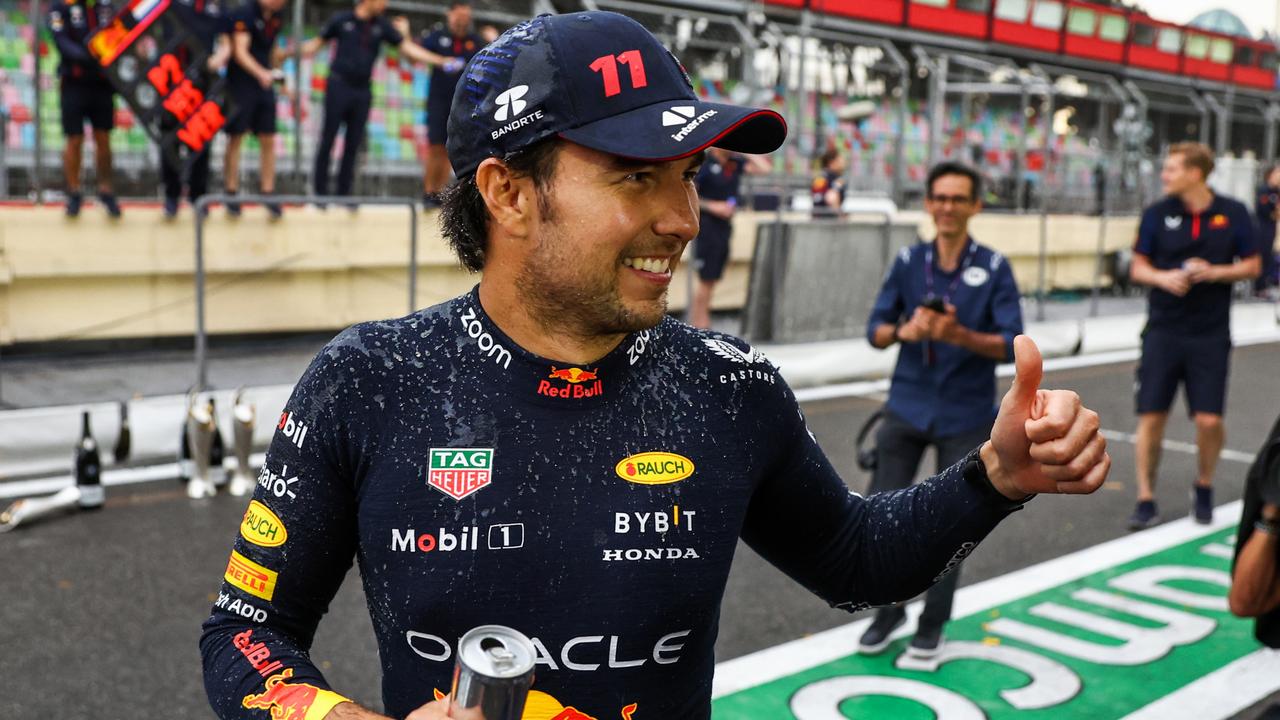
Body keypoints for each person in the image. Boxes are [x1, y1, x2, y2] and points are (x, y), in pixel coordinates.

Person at [200, 13, 1110, 720]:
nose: (684, 217)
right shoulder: (368, 380)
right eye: (638, 176)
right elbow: (245, 633)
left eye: (691, 175)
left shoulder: (729, 387)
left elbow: (858, 561)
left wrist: (994, 479)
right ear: (509, 193)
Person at [857, 161, 1024, 658]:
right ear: (929, 203)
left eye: (958, 198)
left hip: (965, 411)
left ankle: (933, 622)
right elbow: (876, 331)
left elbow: (1012, 343)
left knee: (953, 524)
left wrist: (959, 335)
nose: (947, 207)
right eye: (940, 198)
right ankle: (887, 612)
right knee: (881, 516)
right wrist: (904, 331)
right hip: (907, 403)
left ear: (975, 205)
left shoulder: (994, 267)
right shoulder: (909, 260)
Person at [1128, 142, 1261, 530]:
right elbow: (1138, 268)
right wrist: (1163, 277)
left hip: (1210, 333)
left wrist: (1215, 272)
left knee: (1208, 420)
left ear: (1195, 174)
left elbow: (1253, 264)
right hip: (1163, 329)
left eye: (1171, 169)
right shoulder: (1156, 213)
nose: (1164, 176)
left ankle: (1203, 485)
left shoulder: (1233, 213)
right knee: (1151, 415)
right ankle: (1145, 497)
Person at [301, 0, 463, 203]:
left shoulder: (381, 26)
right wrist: (289, 53)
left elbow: (408, 49)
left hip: (362, 90)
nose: (384, 4)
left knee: (353, 143)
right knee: (328, 139)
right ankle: (320, 193)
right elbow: (315, 44)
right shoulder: (342, 20)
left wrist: (441, 61)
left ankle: (343, 194)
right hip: (338, 86)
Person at [48, 0, 122, 219]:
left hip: (102, 84)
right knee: (74, 139)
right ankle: (74, 192)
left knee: (104, 138)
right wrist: (91, 54)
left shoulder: (106, 7)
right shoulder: (61, 7)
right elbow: (60, 41)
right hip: (74, 83)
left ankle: (106, 191)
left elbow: (120, 35)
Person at [161, 0, 231, 219]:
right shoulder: (167, 4)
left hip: (202, 84)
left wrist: (216, 60)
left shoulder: (216, 6)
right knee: (169, 140)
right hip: (171, 82)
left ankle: (198, 196)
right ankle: (171, 196)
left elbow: (226, 41)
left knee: (200, 140)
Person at [689, 147, 768, 329]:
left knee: (713, 276)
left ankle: (703, 321)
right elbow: (691, 195)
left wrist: (746, 150)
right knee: (705, 277)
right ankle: (698, 323)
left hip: (725, 227)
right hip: (707, 226)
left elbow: (764, 169)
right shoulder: (704, 163)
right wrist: (713, 206)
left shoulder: (735, 162)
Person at [223, 0, 288, 219]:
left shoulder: (277, 16)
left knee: (268, 136)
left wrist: (280, 77)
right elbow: (239, 52)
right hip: (241, 84)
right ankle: (231, 190)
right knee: (236, 137)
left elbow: (273, 50)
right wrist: (262, 73)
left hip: (264, 84)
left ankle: (268, 190)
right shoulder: (245, 13)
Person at [418, 1, 482, 206]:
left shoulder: (475, 41)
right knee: (435, 147)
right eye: (458, 16)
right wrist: (440, 60)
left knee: (450, 148)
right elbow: (415, 53)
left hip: (463, 104)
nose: (462, 20)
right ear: (450, 15)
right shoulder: (437, 37)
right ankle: (429, 191)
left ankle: (440, 194)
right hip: (438, 101)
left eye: (465, 16)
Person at [1255, 163, 1280, 296]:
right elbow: (1267, 211)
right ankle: (1258, 287)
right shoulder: (1264, 190)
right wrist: (1275, 212)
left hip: (1271, 227)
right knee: (1262, 255)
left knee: (1269, 256)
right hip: (1262, 228)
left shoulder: (1276, 191)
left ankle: (1265, 284)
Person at [810, 147, 846, 218]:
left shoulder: (821, 176)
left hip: (818, 218)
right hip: (827, 220)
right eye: (840, 160)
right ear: (832, 162)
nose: (843, 162)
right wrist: (841, 216)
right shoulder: (833, 178)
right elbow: (831, 197)